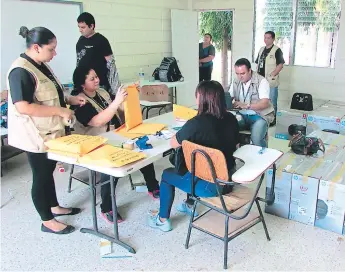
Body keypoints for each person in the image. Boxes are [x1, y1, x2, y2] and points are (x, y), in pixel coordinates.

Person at [7, 26, 86, 234]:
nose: (55, 53)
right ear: (36, 47)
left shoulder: (41, 65)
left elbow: (50, 93)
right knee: (41, 176)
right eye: (51, 49)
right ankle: (47, 221)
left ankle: (54, 207)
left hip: (51, 133)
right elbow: (23, 106)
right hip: (34, 135)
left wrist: (69, 99)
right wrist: (61, 111)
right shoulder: (21, 71)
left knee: (48, 171)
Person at [72, 66, 160, 223]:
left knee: (141, 148)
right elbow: (97, 121)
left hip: (116, 135)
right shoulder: (80, 101)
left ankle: (152, 186)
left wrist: (129, 95)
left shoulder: (103, 93)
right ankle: (106, 208)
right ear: (82, 84)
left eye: (96, 76)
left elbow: (118, 109)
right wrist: (117, 102)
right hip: (96, 142)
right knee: (113, 167)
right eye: (92, 79)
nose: (97, 80)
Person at [148, 80, 240, 232]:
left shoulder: (196, 123)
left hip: (210, 187)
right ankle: (189, 204)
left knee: (167, 175)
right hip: (229, 180)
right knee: (193, 164)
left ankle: (162, 219)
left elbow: (173, 143)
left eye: (197, 95)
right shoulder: (231, 118)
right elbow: (236, 146)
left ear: (203, 98)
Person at [229, 58, 275, 148]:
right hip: (240, 115)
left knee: (256, 138)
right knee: (226, 129)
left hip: (259, 116)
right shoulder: (236, 81)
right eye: (237, 73)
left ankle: (264, 159)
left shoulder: (261, 81)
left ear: (250, 70)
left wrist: (247, 106)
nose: (239, 76)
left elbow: (265, 103)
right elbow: (229, 96)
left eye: (242, 73)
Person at [76, 12, 120, 95]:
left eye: (83, 27)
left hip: (100, 84)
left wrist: (115, 89)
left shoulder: (101, 40)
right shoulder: (80, 41)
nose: (80, 30)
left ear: (91, 26)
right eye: (79, 27)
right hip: (85, 85)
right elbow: (78, 61)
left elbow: (111, 65)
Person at [255, 31, 285, 125]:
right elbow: (258, 63)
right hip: (260, 79)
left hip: (270, 80)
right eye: (265, 37)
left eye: (268, 38)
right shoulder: (261, 49)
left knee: (272, 100)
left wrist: (273, 74)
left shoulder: (277, 50)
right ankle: (262, 117)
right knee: (261, 99)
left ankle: (273, 119)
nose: (266, 40)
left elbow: (280, 64)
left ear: (272, 39)